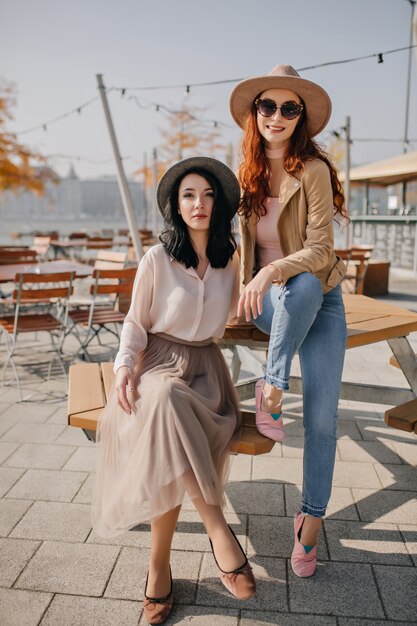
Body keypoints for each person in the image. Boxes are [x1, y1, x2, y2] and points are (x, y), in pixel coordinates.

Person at [91, 156, 256, 625]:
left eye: (207, 195)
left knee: (170, 433)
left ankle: (157, 569)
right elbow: (135, 322)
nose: (199, 203)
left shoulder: (232, 259)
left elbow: (241, 311)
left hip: (206, 372)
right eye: (189, 195)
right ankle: (217, 529)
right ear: (176, 205)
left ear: (218, 205)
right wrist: (125, 366)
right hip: (160, 365)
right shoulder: (158, 258)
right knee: (163, 402)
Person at [229, 65, 348, 578]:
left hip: (319, 295)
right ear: (255, 114)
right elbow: (231, 248)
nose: (276, 116)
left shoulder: (314, 170)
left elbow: (322, 250)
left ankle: (310, 525)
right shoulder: (244, 175)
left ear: (300, 117)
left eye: (288, 108)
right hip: (271, 305)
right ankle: (272, 386)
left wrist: (275, 267)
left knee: (323, 420)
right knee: (293, 286)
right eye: (267, 107)